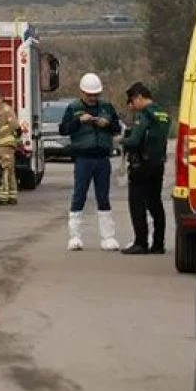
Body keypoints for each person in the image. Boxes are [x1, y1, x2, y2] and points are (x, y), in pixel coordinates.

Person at [59, 73, 122, 252]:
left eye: (96, 95)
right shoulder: (73, 107)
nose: (93, 98)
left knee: (103, 196)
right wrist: (78, 121)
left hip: (102, 157)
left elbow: (117, 128)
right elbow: (63, 129)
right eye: (89, 95)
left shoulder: (107, 107)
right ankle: (75, 236)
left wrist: (107, 125)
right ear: (82, 92)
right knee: (79, 194)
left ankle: (108, 237)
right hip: (83, 158)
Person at [120, 83, 171, 256]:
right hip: (158, 164)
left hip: (141, 165)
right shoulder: (163, 113)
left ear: (139, 97)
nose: (131, 106)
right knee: (155, 203)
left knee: (137, 204)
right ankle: (158, 243)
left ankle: (140, 242)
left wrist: (120, 140)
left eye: (132, 101)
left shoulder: (145, 115)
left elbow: (135, 140)